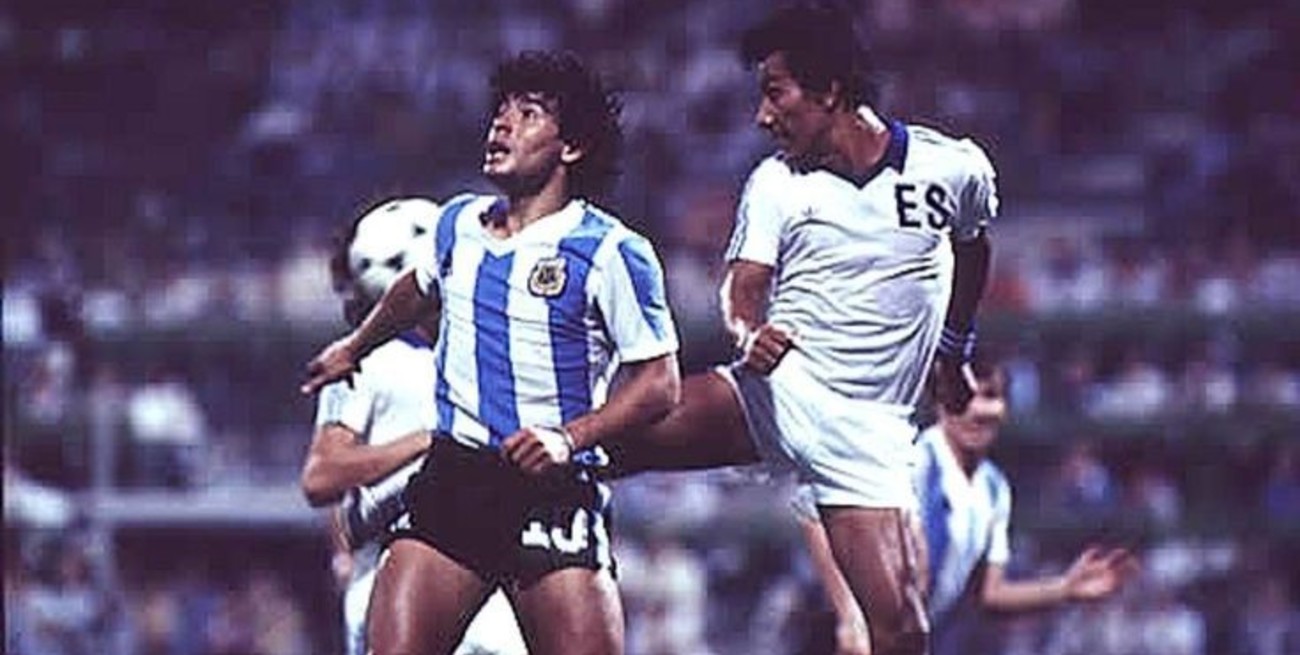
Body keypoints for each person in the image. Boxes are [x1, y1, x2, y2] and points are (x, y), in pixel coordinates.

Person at [602, 4, 999, 653]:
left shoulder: (952, 169)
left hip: (864, 429)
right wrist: (748, 332)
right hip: (778, 391)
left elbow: (973, 247)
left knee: (901, 630)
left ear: (830, 90)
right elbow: (742, 288)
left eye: (775, 92)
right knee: (596, 440)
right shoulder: (776, 184)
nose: (763, 116)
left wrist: (953, 352)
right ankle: (464, 503)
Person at [301, 50, 681, 655]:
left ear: (571, 147)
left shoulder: (611, 251)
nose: (502, 124)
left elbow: (660, 384)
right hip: (455, 480)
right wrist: (355, 345)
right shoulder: (457, 223)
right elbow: (417, 287)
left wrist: (570, 438)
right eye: (501, 110)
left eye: (528, 114)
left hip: (551, 486)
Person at [298, 197, 526, 655]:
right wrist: (426, 441)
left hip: (483, 567)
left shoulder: (485, 355)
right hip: (391, 569)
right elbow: (322, 477)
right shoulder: (366, 362)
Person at [793, 358, 1139, 655]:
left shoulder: (994, 489)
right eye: (963, 397)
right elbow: (814, 511)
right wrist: (849, 616)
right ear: (941, 404)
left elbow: (989, 593)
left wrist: (1064, 589)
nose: (976, 410)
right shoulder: (912, 460)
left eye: (989, 396)